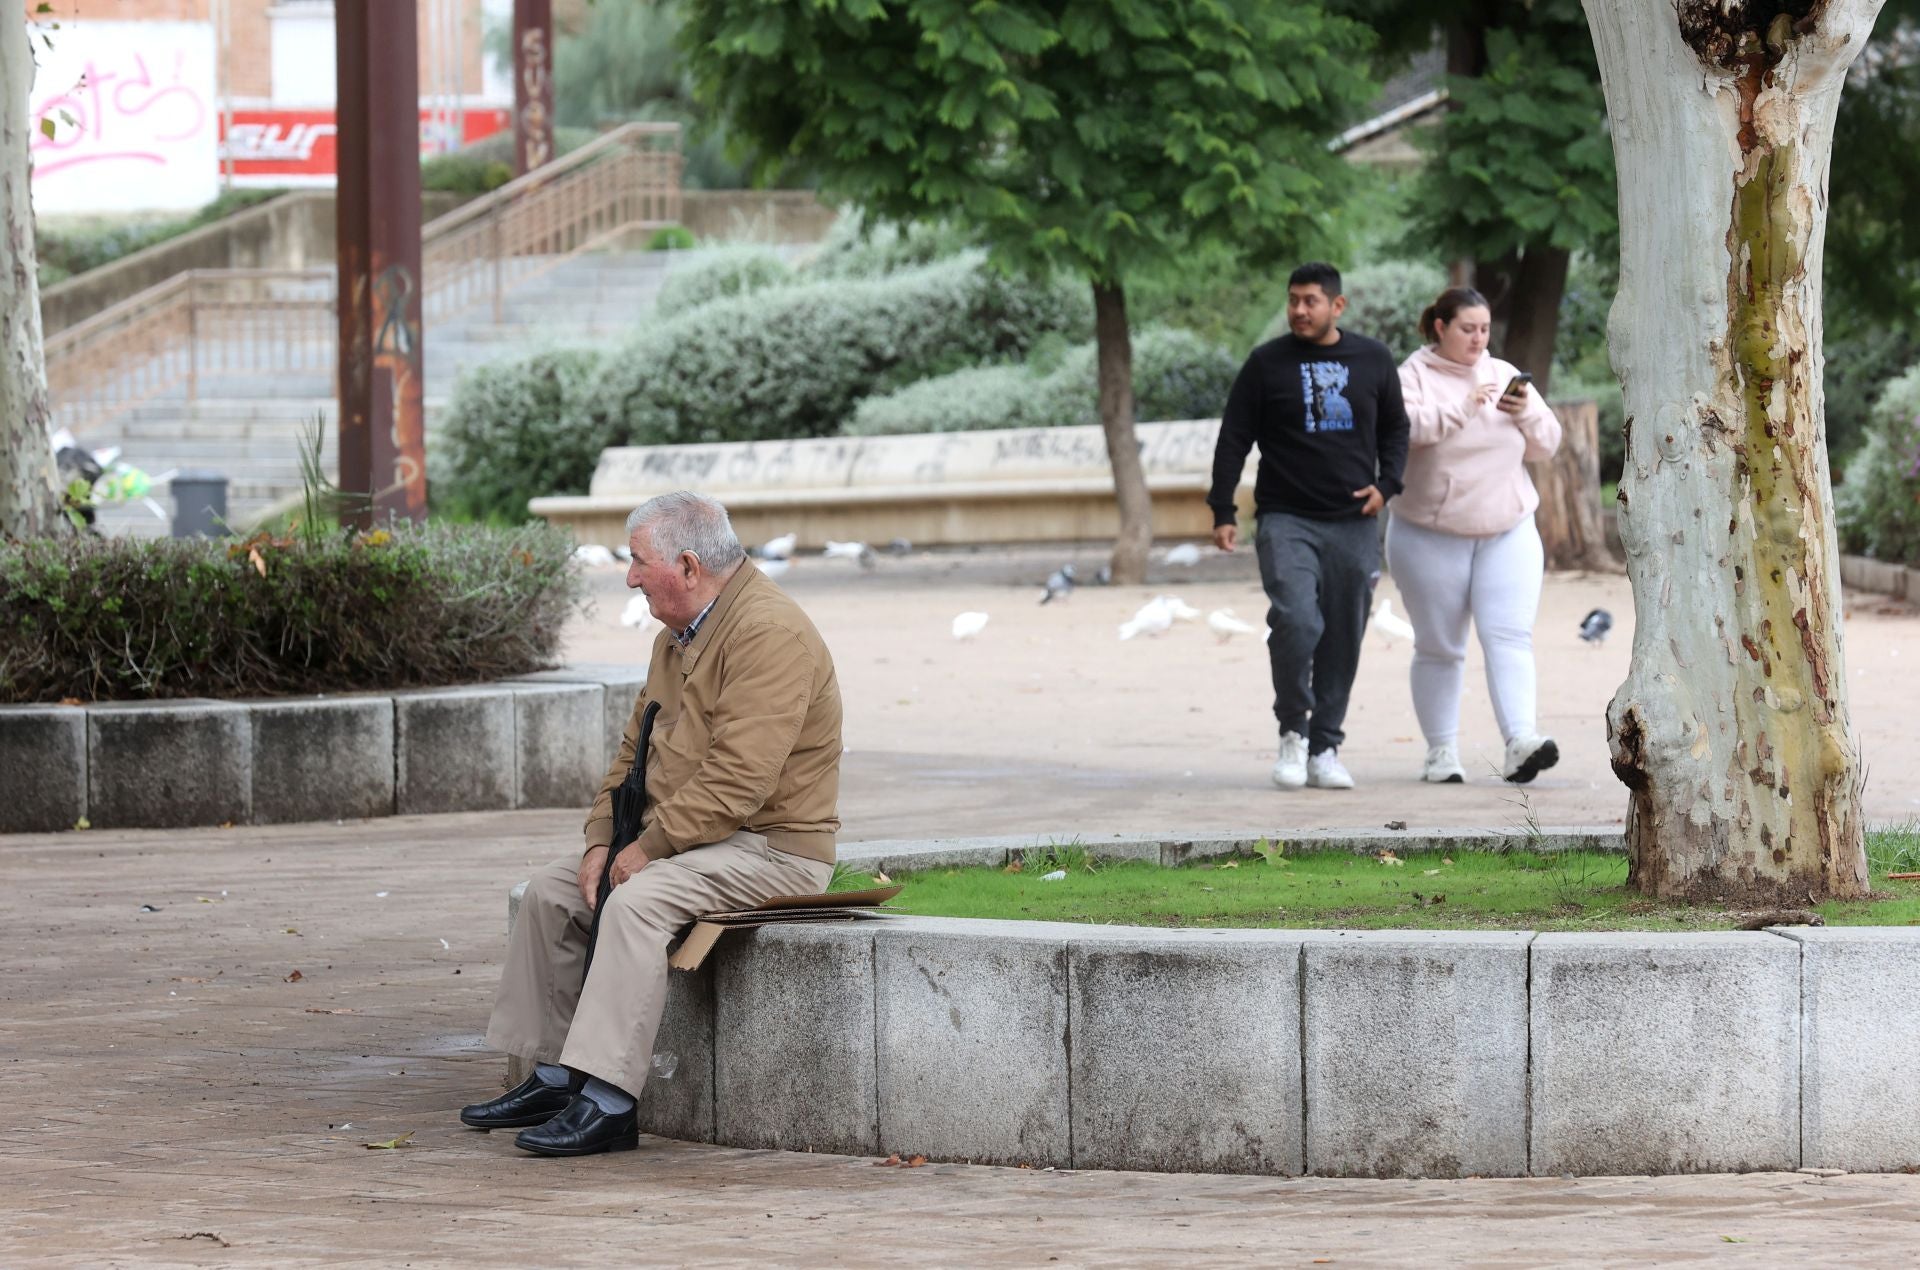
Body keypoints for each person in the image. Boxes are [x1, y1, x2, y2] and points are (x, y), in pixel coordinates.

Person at [460, 491, 843, 1157]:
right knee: (552, 894)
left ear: (689, 566)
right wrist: (600, 842)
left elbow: (738, 782)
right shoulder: (679, 636)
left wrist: (647, 850)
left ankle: (609, 1102)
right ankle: (557, 1076)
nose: (630, 577)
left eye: (638, 562)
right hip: (695, 842)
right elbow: (631, 756)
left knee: (636, 903)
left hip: (772, 850)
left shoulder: (769, 635)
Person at [1209, 262, 1411, 791]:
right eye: (1293, 299)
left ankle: (1326, 747)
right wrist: (1223, 510)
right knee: (1298, 622)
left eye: (1311, 301)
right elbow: (1233, 439)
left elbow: (1395, 428)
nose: (1299, 310)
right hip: (1286, 519)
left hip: (1354, 522)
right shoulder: (1265, 365)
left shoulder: (1372, 359)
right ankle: (1293, 733)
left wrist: (1387, 485)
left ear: (1336, 306)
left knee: (1344, 636)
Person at [1388, 287, 1563, 784]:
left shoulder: (1503, 373)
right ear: (1440, 327)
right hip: (1429, 531)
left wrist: (1524, 411)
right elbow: (1405, 428)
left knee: (1509, 634)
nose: (1478, 339)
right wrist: (1462, 408)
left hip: (1507, 527)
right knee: (1440, 646)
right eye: (1468, 329)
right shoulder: (1413, 375)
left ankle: (1520, 740)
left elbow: (1547, 444)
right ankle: (1441, 750)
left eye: (1485, 329)